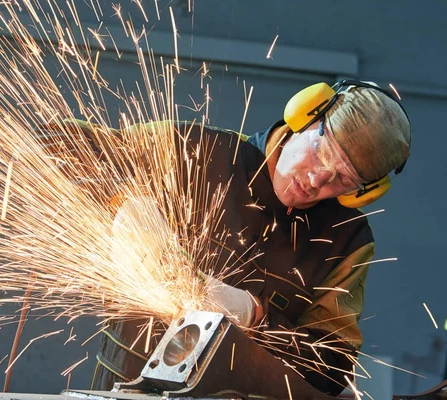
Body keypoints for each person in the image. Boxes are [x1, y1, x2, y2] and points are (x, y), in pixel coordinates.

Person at [45, 80, 411, 396]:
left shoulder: (347, 239)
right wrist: (125, 204)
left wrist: (253, 315)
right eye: (321, 152)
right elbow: (61, 143)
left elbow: (330, 369)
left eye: (343, 180)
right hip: (121, 387)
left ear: (362, 193)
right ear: (307, 114)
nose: (318, 180)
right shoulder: (198, 151)